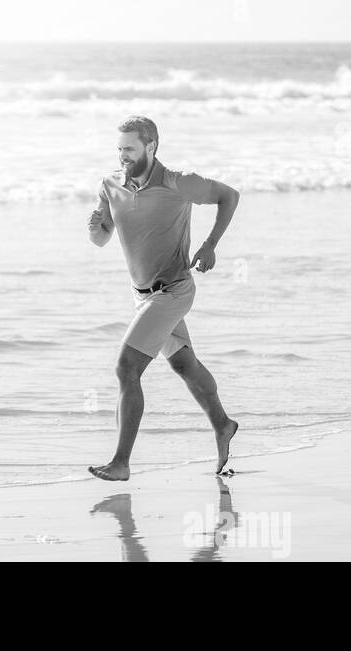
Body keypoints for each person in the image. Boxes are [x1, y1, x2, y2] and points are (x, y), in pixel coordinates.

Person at [87, 115, 240, 480]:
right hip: (141, 295)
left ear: (151, 146)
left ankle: (121, 463)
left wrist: (210, 244)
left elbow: (229, 196)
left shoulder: (178, 182)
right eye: (119, 148)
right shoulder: (111, 185)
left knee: (126, 368)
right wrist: (96, 223)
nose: (122, 155)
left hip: (173, 291)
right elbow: (100, 237)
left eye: (130, 148)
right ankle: (223, 425)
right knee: (184, 365)